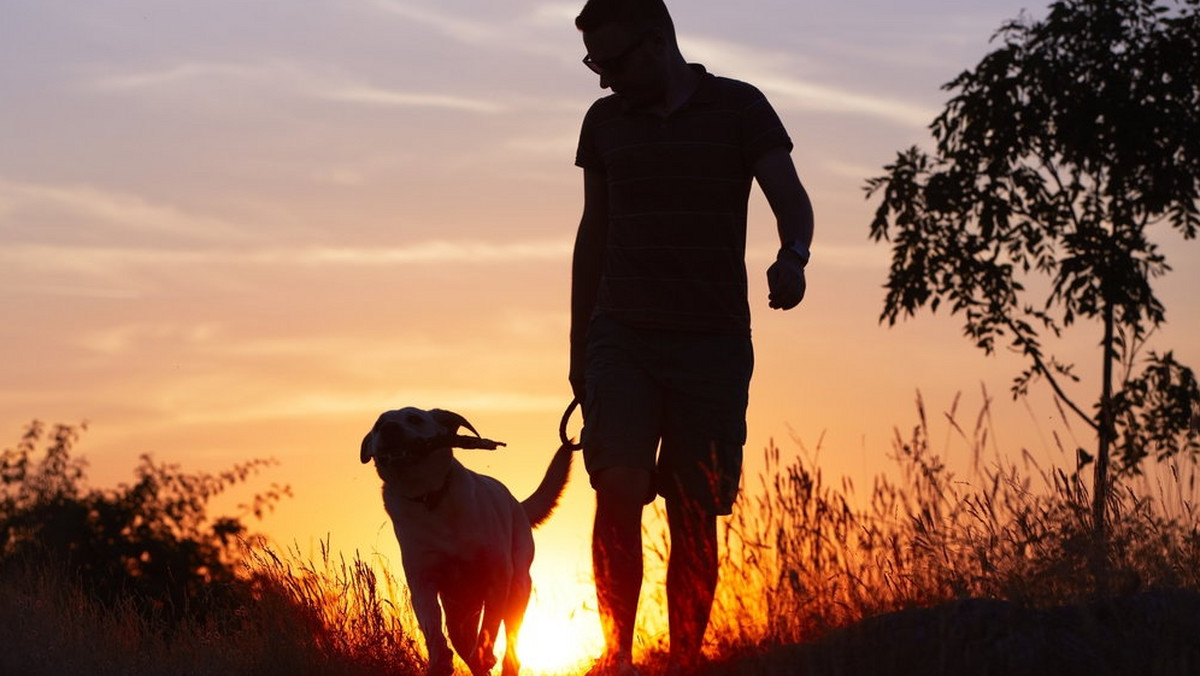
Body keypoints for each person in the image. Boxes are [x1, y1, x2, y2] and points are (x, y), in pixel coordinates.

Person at [568, 1, 814, 674]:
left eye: (613, 61)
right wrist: (577, 347)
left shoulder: (740, 108)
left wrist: (793, 254)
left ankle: (684, 661)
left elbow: (789, 195)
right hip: (619, 337)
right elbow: (593, 235)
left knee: (693, 509)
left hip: (712, 342)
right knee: (616, 486)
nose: (603, 78)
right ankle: (615, 657)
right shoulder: (605, 123)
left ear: (658, 42)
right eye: (595, 63)